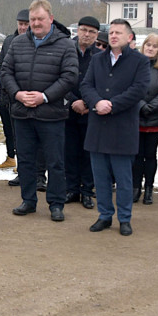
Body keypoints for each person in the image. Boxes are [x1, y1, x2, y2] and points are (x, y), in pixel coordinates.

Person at [0, 0, 79, 222]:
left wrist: (44, 97)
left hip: (51, 114)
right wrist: (17, 94)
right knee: (25, 160)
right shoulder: (17, 43)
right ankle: (28, 200)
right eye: (32, 19)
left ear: (50, 19)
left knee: (55, 161)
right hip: (22, 113)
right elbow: (6, 71)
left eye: (39, 19)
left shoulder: (65, 45)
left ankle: (56, 203)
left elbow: (70, 76)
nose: (35, 23)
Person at [81, 19, 150, 235]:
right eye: (111, 32)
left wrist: (112, 105)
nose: (113, 36)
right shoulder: (98, 59)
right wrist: (96, 102)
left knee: (123, 178)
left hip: (123, 128)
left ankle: (125, 218)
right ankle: (104, 216)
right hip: (98, 127)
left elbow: (139, 89)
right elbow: (86, 85)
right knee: (100, 177)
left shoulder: (139, 61)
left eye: (118, 32)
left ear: (129, 37)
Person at [134, 33, 158, 206]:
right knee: (136, 155)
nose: (150, 48)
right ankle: (136, 187)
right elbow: (130, 87)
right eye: (148, 45)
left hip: (156, 117)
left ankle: (149, 188)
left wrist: (152, 106)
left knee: (150, 155)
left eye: (154, 46)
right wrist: (142, 105)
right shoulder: (134, 64)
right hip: (136, 116)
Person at [65, 16, 98, 208]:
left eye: (91, 32)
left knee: (88, 152)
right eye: (84, 30)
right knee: (69, 150)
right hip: (67, 108)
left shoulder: (101, 55)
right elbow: (58, 77)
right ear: (77, 30)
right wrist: (73, 101)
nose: (87, 35)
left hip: (90, 111)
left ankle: (87, 190)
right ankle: (71, 188)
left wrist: (86, 102)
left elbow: (102, 83)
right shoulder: (66, 50)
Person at [0, 9, 29, 174]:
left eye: (25, 24)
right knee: (7, 129)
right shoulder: (9, 41)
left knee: (21, 133)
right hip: (5, 95)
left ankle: (24, 164)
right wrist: (7, 85)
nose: (23, 27)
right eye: (20, 24)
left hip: (22, 97)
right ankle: (10, 157)